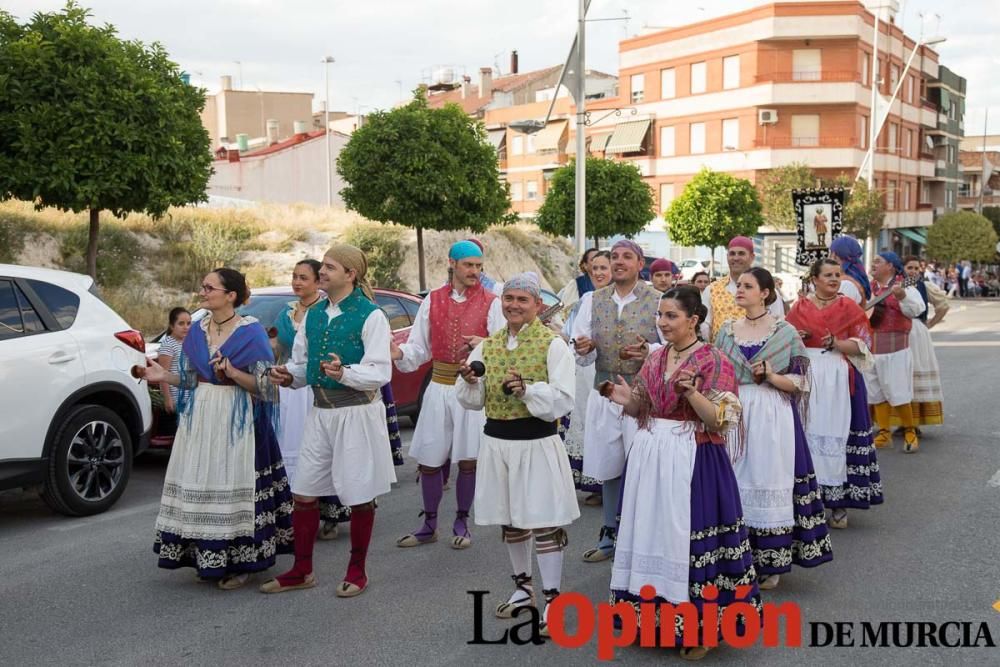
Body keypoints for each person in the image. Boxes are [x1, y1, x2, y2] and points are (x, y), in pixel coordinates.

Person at [603, 286, 759, 661]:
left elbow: (721, 421)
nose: (663, 322)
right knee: (651, 533)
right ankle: (649, 620)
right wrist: (628, 402)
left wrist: (691, 394)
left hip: (694, 458)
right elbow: (645, 405)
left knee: (688, 538)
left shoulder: (714, 360)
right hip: (652, 457)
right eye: (661, 315)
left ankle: (701, 630)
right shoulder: (656, 359)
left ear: (694, 320)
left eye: (671, 316)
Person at [141, 268, 293, 590]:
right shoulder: (196, 330)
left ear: (230, 295)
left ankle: (243, 563)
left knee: (233, 485)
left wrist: (234, 373)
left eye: (209, 287)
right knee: (204, 481)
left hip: (239, 422)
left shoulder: (250, 333)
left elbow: (268, 390)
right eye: (203, 287)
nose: (203, 292)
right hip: (202, 419)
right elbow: (193, 378)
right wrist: (163, 377)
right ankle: (209, 556)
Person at [260, 244, 396, 596]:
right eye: (323, 267)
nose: (322, 273)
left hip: (357, 414)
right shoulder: (314, 314)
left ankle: (357, 570)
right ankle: (302, 569)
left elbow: (380, 372)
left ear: (350, 274)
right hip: (320, 413)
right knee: (303, 493)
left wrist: (344, 373)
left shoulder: (371, 315)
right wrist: (288, 376)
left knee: (360, 494)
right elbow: (304, 367)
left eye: (330, 268)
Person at [455, 272, 579, 636]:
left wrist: (527, 391)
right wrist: (471, 381)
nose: (514, 305)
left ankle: (554, 598)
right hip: (497, 443)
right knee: (511, 520)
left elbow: (563, 398)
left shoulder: (552, 345)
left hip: (536, 443)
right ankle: (524, 588)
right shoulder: (489, 346)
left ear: (537, 306)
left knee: (542, 520)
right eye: (509, 299)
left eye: (522, 300)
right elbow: (473, 402)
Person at [714, 267, 832, 590]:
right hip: (736, 412)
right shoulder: (725, 331)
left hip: (772, 412)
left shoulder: (785, 332)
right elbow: (716, 374)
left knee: (768, 479)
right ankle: (738, 557)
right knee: (736, 480)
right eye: (739, 286)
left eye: (747, 286)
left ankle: (771, 561)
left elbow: (801, 381)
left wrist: (770, 376)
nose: (739, 290)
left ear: (765, 293)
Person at [392, 240, 505, 550]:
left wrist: (483, 343)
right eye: (469, 265)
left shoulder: (493, 303)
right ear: (452, 264)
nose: (475, 271)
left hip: (471, 388)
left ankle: (461, 521)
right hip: (439, 387)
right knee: (430, 459)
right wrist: (398, 351)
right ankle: (429, 524)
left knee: (468, 461)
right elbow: (419, 347)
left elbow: (504, 347)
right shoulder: (433, 301)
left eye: (479, 266)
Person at [571, 239, 662, 563]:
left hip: (642, 398)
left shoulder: (658, 299)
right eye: (614, 257)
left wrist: (649, 351)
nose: (619, 262)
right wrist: (584, 348)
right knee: (610, 468)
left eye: (627, 257)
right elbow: (581, 344)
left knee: (643, 469)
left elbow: (671, 346)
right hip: (605, 391)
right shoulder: (592, 299)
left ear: (640, 264)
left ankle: (643, 538)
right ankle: (609, 533)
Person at [786, 259, 882, 530]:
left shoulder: (848, 307)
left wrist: (837, 343)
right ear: (814, 279)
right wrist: (799, 337)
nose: (834, 279)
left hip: (839, 377)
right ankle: (808, 504)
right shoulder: (800, 307)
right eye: (827, 275)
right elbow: (785, 338)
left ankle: (839, 504)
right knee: (807, 434)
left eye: (837, 275)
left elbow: (864, 343)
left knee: (838, 436)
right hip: (808, 377)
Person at [561, 251, 611, 503]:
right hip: (585, 367)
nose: (599, 273)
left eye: (604, 268)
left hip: (607, 368)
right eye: (595, 269)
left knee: (605, 425)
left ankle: (606, 485)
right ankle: (591, 482)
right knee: (586, 421)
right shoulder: (588, 298)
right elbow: (575, 333)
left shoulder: (622, 301)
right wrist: (579, 347)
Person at [865, 251, 924, 452]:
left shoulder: (904, 285)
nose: (873, 263)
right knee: (875, 391)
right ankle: (884, 433)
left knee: (898, 390)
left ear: (890, 266)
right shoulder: (870, 287)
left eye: (878, 261)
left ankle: (909, 432)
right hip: (872, 347)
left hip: (895, 348)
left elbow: (917, 309)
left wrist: (903, 296)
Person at [891, 256, 948, 431]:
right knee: (898, 374)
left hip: (916, 332)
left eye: (916, 268)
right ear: (902, 268)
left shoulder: (924, 286)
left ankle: (913, 423)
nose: (913, 271)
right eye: (910, 268)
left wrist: (930, 324)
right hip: (897, 333)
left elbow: (943, 305)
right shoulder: (893, 285)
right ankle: (900, 421)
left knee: (915, 371)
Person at [702, 236, 785, 342]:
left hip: (758, 355)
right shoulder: (712, 289)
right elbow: (705, 326)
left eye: (741, 253)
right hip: (722, 354)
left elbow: (777, 325)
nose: (736, 258)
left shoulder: (766, 290)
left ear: (752, 257)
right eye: (732, 254)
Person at [155, 307, 191, 436]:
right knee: (180, 435)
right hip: (176, 397)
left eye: (188, 323)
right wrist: (167, 398)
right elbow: (163, 374)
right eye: (181, 324)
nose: (185, 327)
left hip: (189, 395)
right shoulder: (168, 344)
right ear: (171, 325)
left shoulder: (187, 342)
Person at [829, 235, 870, 307]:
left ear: (834, 255)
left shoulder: (847, 284)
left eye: (830, 253)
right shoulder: (850, 278)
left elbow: (836, 314)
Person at [557, 247, 600, 313]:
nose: (598, 262)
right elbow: (565, 310)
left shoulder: (611, 284)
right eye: (593, 259)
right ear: (585, 265)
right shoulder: (577, 284)